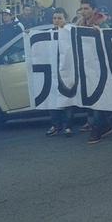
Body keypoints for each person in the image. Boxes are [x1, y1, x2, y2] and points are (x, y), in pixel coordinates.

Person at [76, 0, 112, 143]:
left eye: (86, 9)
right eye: (82, 9)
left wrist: (100, 34)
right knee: (91, 100)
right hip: (86, 67)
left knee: (97, 99)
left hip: (100, 67)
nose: (83, 12)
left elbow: (110, 42)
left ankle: (97, 130)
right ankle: (106, 126)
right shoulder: (79, 25)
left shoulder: (103, 24)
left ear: (93, 10)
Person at [45, 8, 75, 137]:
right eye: (55, 18)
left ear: (65, 19)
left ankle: (68, 126)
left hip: (67, 69)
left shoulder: (70, 32)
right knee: (52, 97)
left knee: (67, 97)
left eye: (60, 18)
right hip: (53, 70)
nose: (57, 21)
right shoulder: (49, 34)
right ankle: (56, 125)